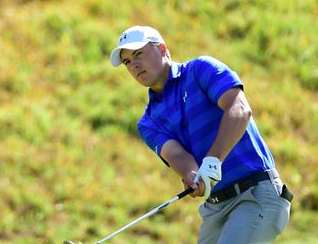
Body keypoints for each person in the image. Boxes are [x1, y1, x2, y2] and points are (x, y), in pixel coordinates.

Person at [109, 25, 292, 244]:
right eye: (128, 62)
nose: (134, 65)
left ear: (162, 49)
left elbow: (239, 110)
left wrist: (213, 160)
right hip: (215, 209)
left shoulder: (200, 69)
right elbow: (178, 156)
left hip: (254, 194)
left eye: (138, 53)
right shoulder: (149, 122)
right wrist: (193, 175)